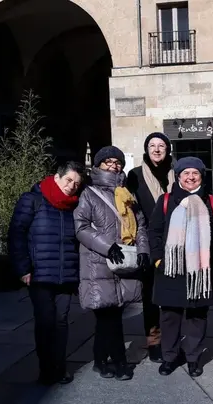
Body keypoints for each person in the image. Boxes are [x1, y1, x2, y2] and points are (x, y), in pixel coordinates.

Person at [147, 156, 213, 378]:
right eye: (186, 173)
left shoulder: (211, 201)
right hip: (171, 269)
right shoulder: (166, 200)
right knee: (169, 317)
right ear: (178, 176)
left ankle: (193, 358)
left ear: (201, 176)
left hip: (200, 270)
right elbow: (154, 232)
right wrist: (158, 259)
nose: (191, 177)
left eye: (195, 173)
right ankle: (169, 357)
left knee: (197, 316)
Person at [75, 146, 149, 381]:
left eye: (117, 162)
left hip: (124, 262)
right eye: (108, 162)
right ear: (98, 166)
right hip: (98, 262)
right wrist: (108, 246)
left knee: (111, 315)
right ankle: (120, 362)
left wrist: (143, 250)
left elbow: (140, 225)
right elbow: (81, 227)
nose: (114, 166)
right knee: (109, 317)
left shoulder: (127, 194)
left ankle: (100, 360)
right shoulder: (89, 194)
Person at [7, 161, 85, 385]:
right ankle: (46, 369)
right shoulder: (33, 200)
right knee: (45, 322)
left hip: (66, 275)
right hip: (39, 274)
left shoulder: (74, 206)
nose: (71, 186)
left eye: (76, 183)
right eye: (68, 180)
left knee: (61, 322)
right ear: (57, 177)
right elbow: (16, 234)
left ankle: (59, 368)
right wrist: (23, 268)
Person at [126, 132, 175, 363]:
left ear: (168, 149)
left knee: (173, 295)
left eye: (161, 145)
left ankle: (172, 339)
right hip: (148, 242)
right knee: (151, 296)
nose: (156, 149)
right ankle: (154, 341)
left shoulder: (177, 173)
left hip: (175, 242)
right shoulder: (135, 175)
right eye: (152, 145)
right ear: (146, 150)